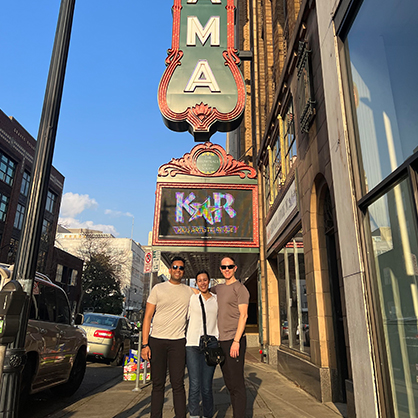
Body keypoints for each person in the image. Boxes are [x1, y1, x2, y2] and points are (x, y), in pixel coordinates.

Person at [141, 256, 195, 418]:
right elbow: (147, 317)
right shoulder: (158, 288)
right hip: (156, 341)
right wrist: (145, 345)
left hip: (178, 342)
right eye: (175, 267)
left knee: (178, 384)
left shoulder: (189, 291)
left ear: (183, 272)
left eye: (181, 268)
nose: (178, 270)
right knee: (158, 384)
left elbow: (205, 295)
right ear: (170, 269)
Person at [211, 255, 249, 418]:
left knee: (237, 383)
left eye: (230, 266)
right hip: (221, 341)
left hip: (234, 341)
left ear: (235, 268)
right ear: (220, 269)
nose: (227, 269)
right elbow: (202, 292)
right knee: (229, 382)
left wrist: (236, 341)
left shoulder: (240, 289)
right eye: (224, 267)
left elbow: (244, 316)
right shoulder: (218, 288)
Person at [186, 270, 218, 418]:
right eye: (200, 280)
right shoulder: (192, 298)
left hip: (211, 344)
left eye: (205, 280)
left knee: (206, 386)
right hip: (192, 343)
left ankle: (207, 415)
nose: (203, 283)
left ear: (209, 281)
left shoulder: (217, 300)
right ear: (196, 283)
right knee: (194, 385)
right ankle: (193, 415)